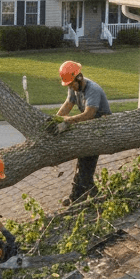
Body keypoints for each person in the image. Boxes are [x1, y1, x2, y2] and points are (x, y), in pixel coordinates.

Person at [55, 60, 111, 204]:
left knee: (85, 166)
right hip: (89, 129)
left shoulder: (92, 90)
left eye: (71, 84)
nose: (71, 87)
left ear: (79, 78)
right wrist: (55, 120)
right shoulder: (75, 87)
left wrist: (67, 121)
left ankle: (94, 198)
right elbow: (68, 104)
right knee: (82, 164)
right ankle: (76, 197)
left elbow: (89, 114)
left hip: (102, 130)